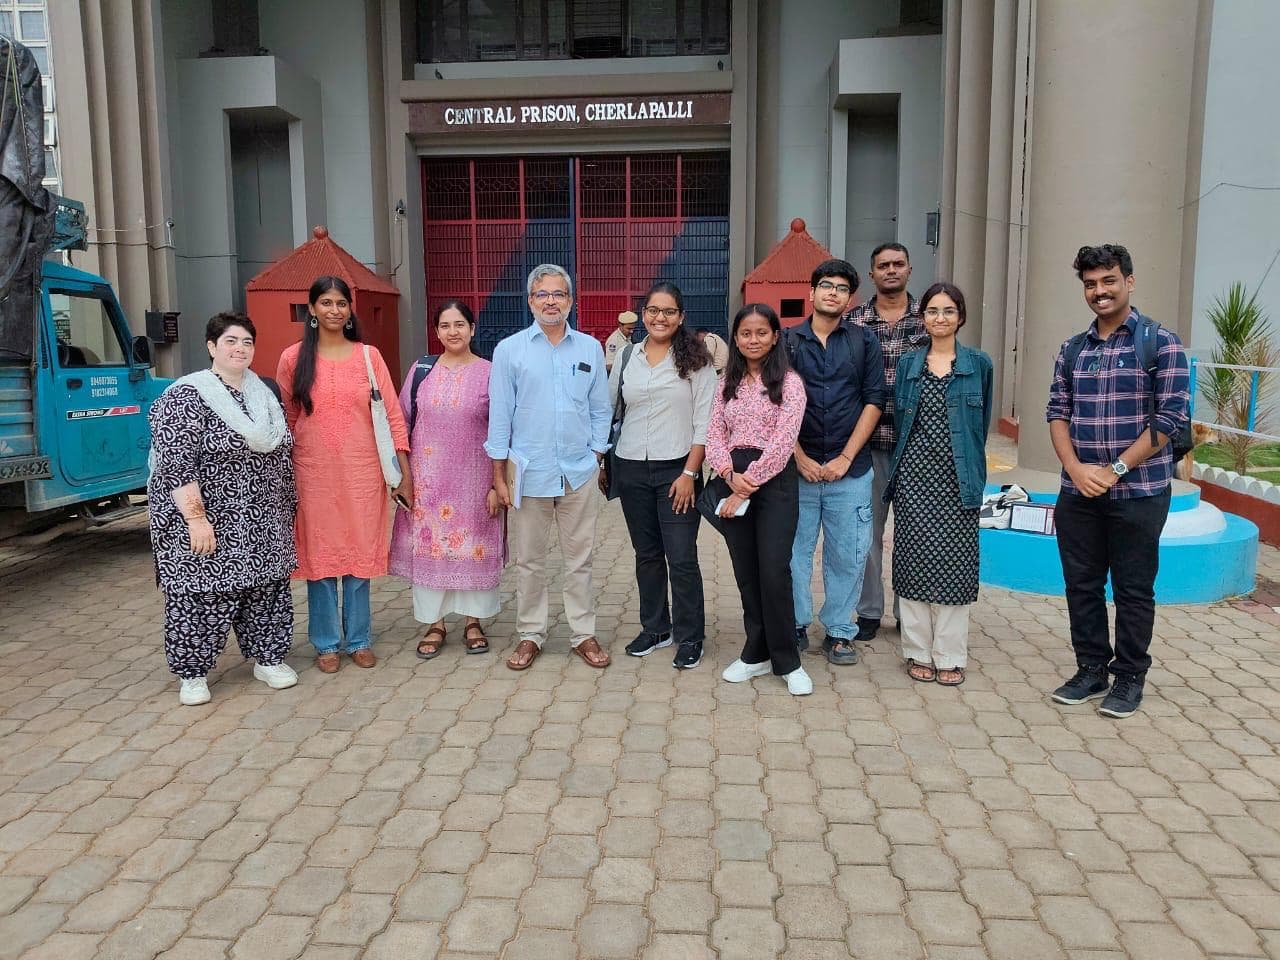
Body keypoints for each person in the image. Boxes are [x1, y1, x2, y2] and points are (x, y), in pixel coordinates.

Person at [1047, 244, 1190, 718]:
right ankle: (1091, 669)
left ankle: (1129, 677)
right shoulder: (1072, 349)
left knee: (1132, 588)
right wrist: (1074, 469)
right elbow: (1057, 413)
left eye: (1108, 280)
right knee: (1081, 585)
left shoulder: (1159, 343)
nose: (1099, 291)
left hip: (1139, 492)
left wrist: (1113, 471)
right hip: (1079, 492)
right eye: (1090, 283)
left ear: (1128, 281)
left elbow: (1169, 418)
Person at [148, 313, 298, 705]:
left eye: (247, 341)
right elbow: (175, 462)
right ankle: (193, 673)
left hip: (264, 518)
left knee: (266, 592)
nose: (240, 349)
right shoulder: (186, 395)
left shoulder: (263, 393)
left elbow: (282, 452)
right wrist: (196, 520)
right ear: (212, 346)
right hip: (208, 518)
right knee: (202, 595)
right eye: (231, 341)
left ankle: (268, 659)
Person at [276, 276, 412, 674]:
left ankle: (359, 639)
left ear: (350, 309)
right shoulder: (292, 358)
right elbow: (288, 417)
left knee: (357, 555)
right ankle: (325, 643)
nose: (334, 310)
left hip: (362, 471)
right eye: (326, 303)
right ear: (312, 309)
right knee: (318, 559)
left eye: (341, 303)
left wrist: (403, 473)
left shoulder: (368, 357)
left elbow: (391, 415)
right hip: (312, 473)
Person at [486, 264, 612, 671]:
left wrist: (595, 453)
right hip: (529, 472)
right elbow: (500, 417)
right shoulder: (510, 350)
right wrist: (498, 477)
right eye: (543, 294)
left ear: (571, 301)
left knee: (580, 560)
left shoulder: (590, 348)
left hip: (578, 473)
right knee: (530, 561)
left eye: (559, 294)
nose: (551, 301)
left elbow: (600, 408)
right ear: (530, 301)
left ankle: (582, 634)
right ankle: (530, 634)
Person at [885, 283, 992, 686]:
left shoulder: (979, 364)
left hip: (959, 479)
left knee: (956, 566)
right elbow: (900, 419)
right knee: (913, 564)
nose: (940, 318)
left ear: (960, 316)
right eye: (932, 311)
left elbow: (980, 426)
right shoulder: (910, 365)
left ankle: (949, 654)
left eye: (948, 311)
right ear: (922, 317)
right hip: (914, 476)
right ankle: (917, 651)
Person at [609, 282, 717, 669]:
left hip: (678, 470)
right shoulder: (627, 357)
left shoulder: (698, 361)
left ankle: (690, 636)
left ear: (681, 316)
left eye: (669, 311)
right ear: (643, 314)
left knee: (682, 556)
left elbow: (706, 422)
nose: (660, 317)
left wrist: (690, 471)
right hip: (632, 467)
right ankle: (655, 628)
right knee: (647, 554)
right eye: (653, 310)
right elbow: (611, 410)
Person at [390, 300, 504, 659]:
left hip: (475, 481)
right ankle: (434, 623)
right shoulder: (421, 370)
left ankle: (474, 621)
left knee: (473, 547)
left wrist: (497, 484)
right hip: (428, 483)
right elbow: (401, 424)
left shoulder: (491, 372)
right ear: (436, 331)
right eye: (445, 325)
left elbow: (503, 430)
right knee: (431, 550)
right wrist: (403, 478)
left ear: (472, 329)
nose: (452, 331)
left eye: (459, 324)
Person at [707, 304, 809, 695]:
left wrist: (748, 482)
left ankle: (788, 661)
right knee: (746, 571)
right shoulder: (726, 383)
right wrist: (730, 476)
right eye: (746, 333)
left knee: (773, 571)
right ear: (736, 337)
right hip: (734, 475)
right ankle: (756, 653)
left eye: (761, 333)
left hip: (775, 483)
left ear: (774, 336)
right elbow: (714, 433)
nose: (753, 340)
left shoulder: (789, 382)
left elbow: (784, 441)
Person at [787, 260, 885, 665]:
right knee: (793, 553)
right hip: (796, 470)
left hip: (852, 469)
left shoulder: (864, 342)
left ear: (850, 298)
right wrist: (798, 457)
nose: (832, 293)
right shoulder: (787, 341)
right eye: (825, 285)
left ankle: (840, 630)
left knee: (849, 552)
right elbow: (772, 404)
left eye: (842, 288)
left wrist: (846, 457)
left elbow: (874, 399)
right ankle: (793, 623)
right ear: (812, 292)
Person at [845, 242, 927, 642]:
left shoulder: (930, 318)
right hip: (868, 443)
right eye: (883, 265)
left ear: (909, 269)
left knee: (913, 533)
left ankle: (908, 611)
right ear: (872, 273)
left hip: (918, 446)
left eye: (898, 264)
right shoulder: (855, 322)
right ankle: (869, 612)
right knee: (868, 533)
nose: (891, 270)